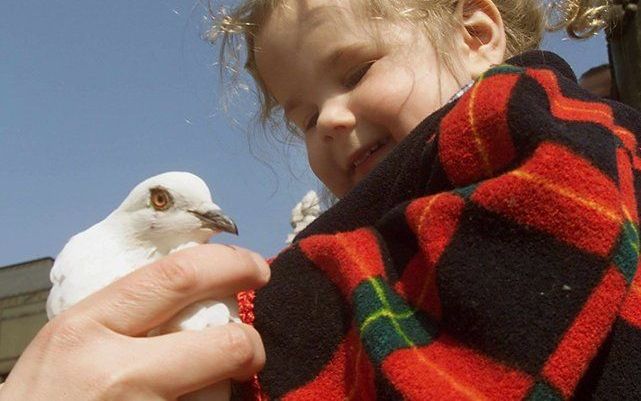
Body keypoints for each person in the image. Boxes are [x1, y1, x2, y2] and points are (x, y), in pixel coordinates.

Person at [2, 0, 640, 400]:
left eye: (357, 72)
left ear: (476, 34)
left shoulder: (549, 134)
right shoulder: (356, 248)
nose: (330, 120)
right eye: (302, 118)